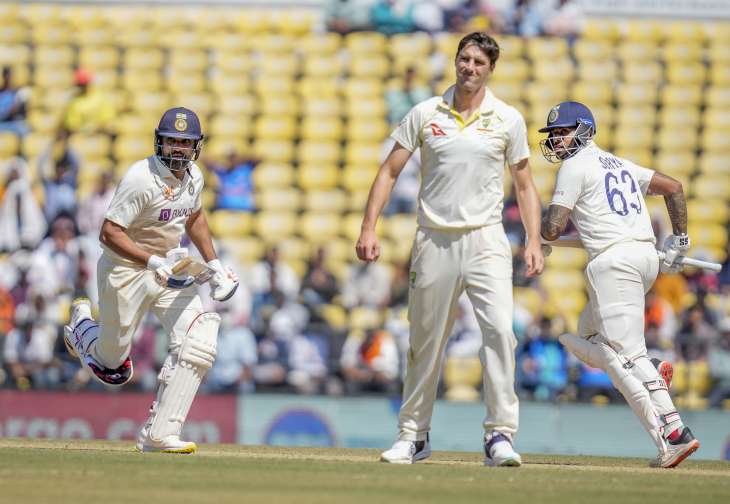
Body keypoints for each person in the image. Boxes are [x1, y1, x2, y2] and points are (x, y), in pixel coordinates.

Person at [356, 32, 544, 466]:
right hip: (434, 238)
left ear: (491, 69)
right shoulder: (425, 113)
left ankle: (499, 436)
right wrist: (369, 227)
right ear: (455, 61)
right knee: (425, 340)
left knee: (500, 332)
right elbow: (388, 172)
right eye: (465, 59)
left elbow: (524, 183)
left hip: (486, 238)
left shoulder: (507, 118)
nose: (470, 67)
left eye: (479, 62)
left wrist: (533, 240)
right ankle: (414, 436)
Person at [62, 107, 239, 454]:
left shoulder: (194, 177)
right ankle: (82, 327)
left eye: (185, 144)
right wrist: (151, 259)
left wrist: (214, 264)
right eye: (172, 141)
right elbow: (109, 233)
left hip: (170, 270)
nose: (178, 149)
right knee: (112, 366)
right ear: (160, 142)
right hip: (125, 271)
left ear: (195, 147)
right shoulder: (141, 178)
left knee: (200, 338)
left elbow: (196, 217)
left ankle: (159, 435)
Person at [538, 100, 700, 468]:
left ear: (583, 129)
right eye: (554, 134)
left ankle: (674, 434)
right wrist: (680, 241)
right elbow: (673, 187)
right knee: (585, 337)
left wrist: (538, 229)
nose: (557, 140)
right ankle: (652, 374)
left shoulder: (574, 166)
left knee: (628, 358)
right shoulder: (619, 163)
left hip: (614, 264)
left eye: (562, 132)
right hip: (642, 259)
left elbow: (553, 228)